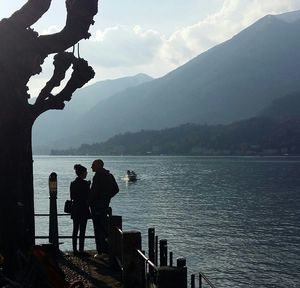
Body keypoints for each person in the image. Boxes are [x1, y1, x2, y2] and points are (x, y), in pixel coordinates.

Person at [90, 159, 119, 256]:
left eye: (93, 165)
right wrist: (107, 197)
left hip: (96, 207)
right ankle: (108, 250)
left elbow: (94, 192)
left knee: (97, 229)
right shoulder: (109, 176)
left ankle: (100, 251)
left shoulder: (98, 176)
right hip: (105, 205)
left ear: (98, 165)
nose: (91, 167)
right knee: (106, 228)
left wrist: (88, 202)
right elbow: (116, 189)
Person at [70, 164, 91, 256]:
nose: (86, 173)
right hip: (83, 209)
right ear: (82, 173)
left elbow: (72, 196)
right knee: (82, 230)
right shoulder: (85, 184)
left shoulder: (73, 183)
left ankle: (74, 250)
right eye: (85, 172)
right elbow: (88, 197)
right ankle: (81, 250)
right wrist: (89, 185)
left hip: (75, 208)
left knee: (75, 230)